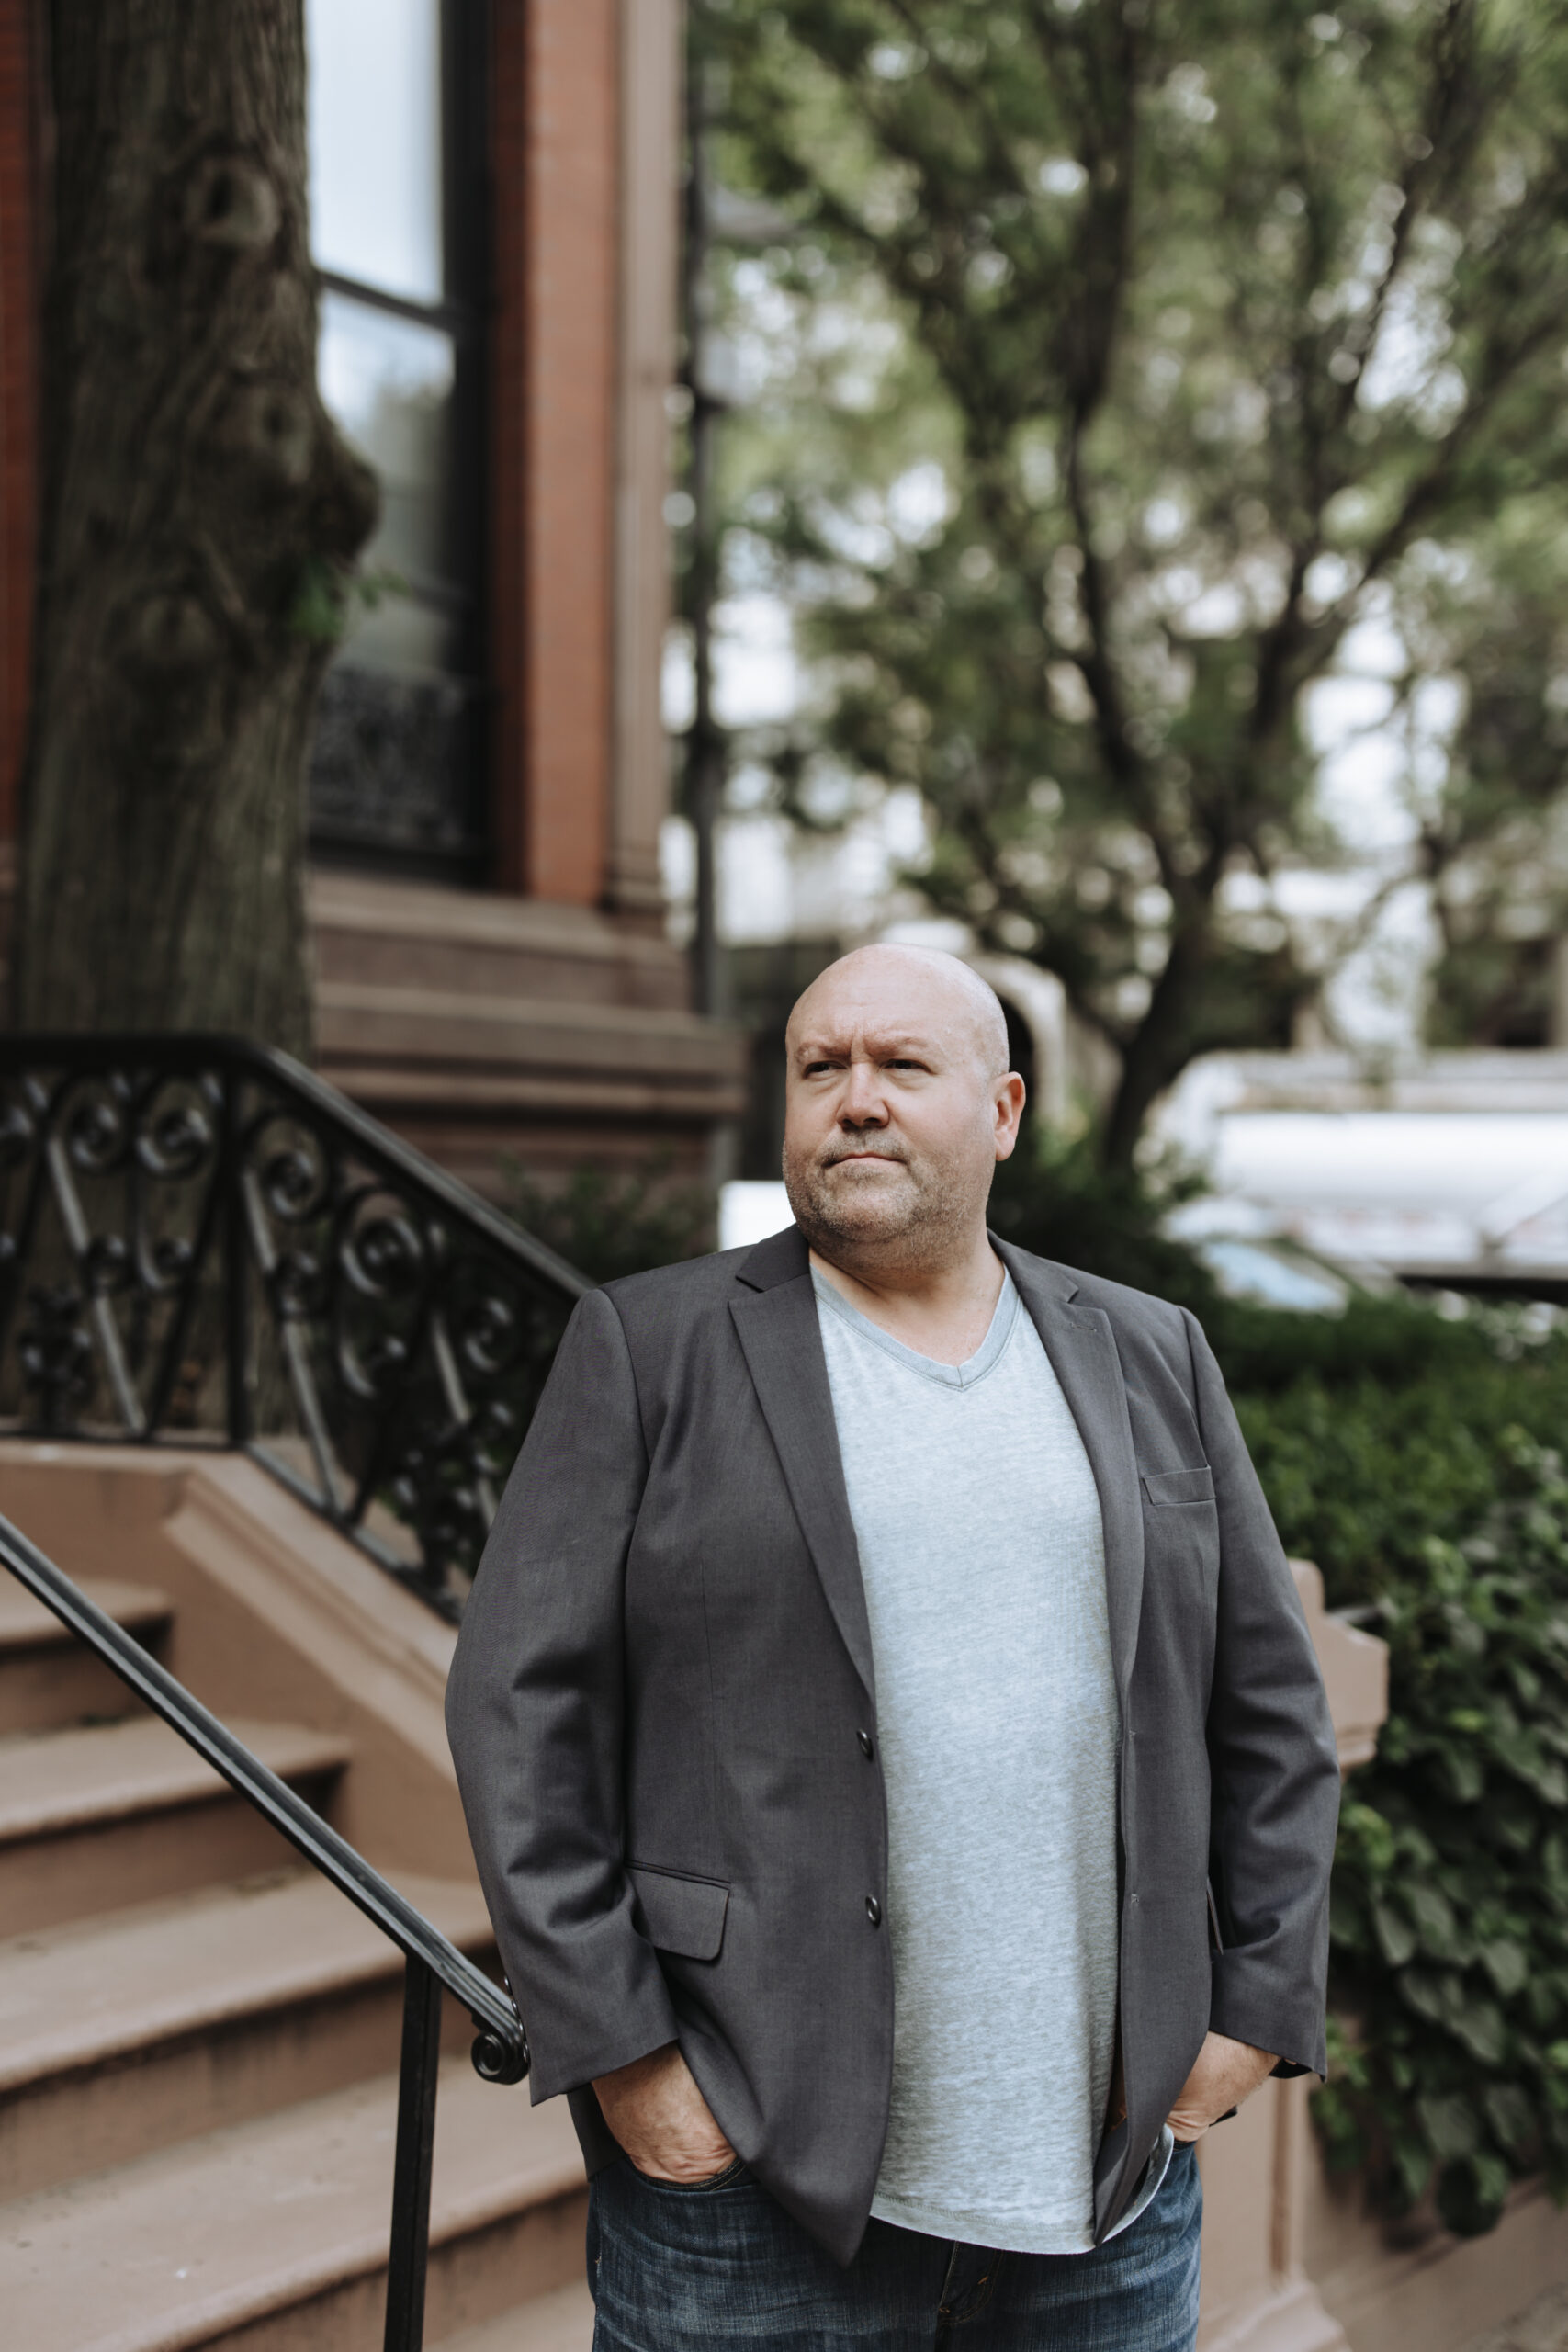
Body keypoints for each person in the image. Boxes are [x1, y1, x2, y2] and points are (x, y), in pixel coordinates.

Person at [446, 944, 1341, 2352]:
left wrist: (1254, 2011)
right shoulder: (650, 1345)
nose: (853, 1100)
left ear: (1001, 1110)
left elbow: (1271, 1711)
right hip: (752, 2188)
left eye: (901, 1067)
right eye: (820, 1068)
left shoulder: (1149, 1349)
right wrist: (628, 2062)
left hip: (1107, 2197)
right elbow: (518, 1711)